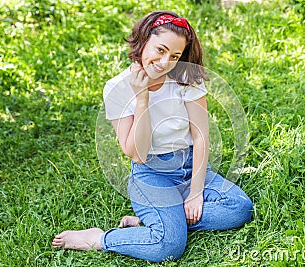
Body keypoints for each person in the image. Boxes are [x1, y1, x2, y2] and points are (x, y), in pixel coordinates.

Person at [52, 10, 253, 262]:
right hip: (151, 174)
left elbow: (200, 137)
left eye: (175, 55)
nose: (165, 61)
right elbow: (137, 152)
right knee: (169, 246)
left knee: (239, 208)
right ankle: (99, 238)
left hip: (189, 165)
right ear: (144, 38)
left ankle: (162, 220)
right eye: (160, 49)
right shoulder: (117, 87)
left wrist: (195, 194)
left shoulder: (185, 79)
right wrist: (142, 97)